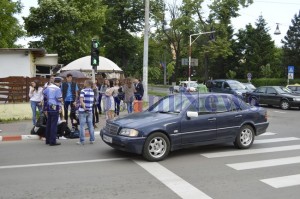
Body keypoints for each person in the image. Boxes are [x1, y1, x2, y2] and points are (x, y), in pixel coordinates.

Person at [43, 77, 63, 146]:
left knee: (49, 123)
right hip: (54, 106)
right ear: (59, 82)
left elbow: (44, 94)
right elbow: (59, 98)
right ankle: (52, 141)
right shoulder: (58, 89)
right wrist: (61, 100)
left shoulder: (48, 87)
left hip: (48, 106)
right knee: (54, 124)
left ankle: (47, 140)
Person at [78, 79, 95, 145]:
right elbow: (91, 101)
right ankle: (92, 139)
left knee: (82, 126)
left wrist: (84, 107)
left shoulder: (83, 91)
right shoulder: (92, 91)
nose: (83, 83)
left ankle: (82, 141)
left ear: (87, 84)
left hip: (83, 110)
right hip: (90, 110)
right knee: (90, 125)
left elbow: (81, 100)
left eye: (84, 82)